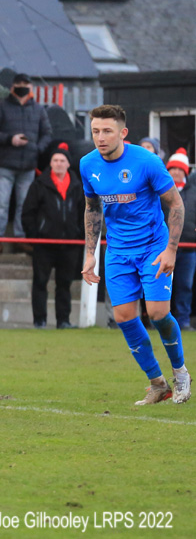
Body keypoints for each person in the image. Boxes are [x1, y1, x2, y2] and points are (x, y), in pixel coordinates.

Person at [80, 104, 190, 405]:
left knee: (157, 313)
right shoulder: (87, 164)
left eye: (107, 131)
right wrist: (90, 254)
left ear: (122, 132)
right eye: (95, 131)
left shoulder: (147, 162)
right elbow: (92, 209)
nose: (100, 137)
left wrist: (171, 250)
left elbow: (176, 205)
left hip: (154, 247)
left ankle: (180, 372)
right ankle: (158, 384)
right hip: (117, 250)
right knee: (124, 317)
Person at [0, 73, 52, 255]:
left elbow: (47, 133)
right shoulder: (1, 106)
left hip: (28, 165)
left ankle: (20, 239)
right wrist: (10, 139)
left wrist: (37, 148)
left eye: (26, 84)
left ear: (31, 88)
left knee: (24, 205)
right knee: (1, 205)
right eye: (19, 84)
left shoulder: (38, 109)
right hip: (5, 164)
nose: (22, 87)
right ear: (12, 87)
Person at [21, 144, 84, 329]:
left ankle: (63, 321)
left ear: (68, 164)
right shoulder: (39, 184)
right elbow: (28, 213)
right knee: (40, 283)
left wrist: (78, 234)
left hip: (70, 244)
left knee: (65, 284)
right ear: (50, 163)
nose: (58, 164)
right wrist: (35, 236)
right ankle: (39, 321)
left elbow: (84, 212)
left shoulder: (77, 186)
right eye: (55, 160)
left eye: (62, 160)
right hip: (44, 244)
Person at [164, 151, 196, 331]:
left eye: (179, 169)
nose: (176, 172)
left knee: (185, 285)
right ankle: (162, 320)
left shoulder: (194, 192)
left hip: (188, 248)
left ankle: (183, 320)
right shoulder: (160, 191)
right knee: (162, 285)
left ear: (185, 172)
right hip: (163, 247)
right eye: (173, 168)